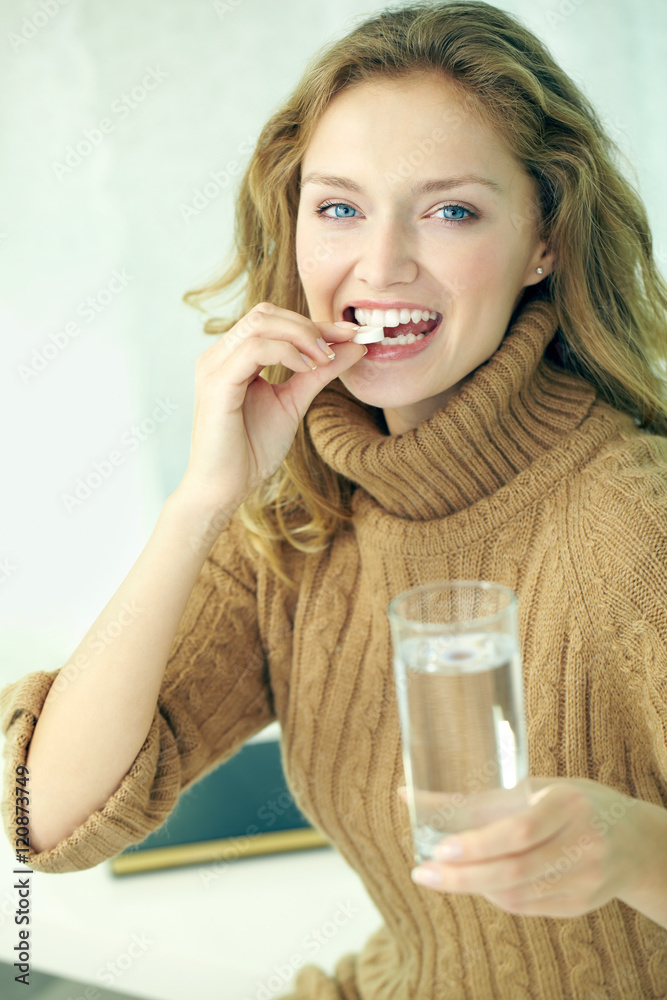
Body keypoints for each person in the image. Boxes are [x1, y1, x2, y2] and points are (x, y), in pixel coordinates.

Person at [2, 1, 667, 996]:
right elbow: (48, 820)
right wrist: (200, 503)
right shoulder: (306, 518)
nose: (380, 264)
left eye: (450, 211)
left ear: (546, 243)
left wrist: (635, 848)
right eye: (340, 209)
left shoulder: (633, 522)